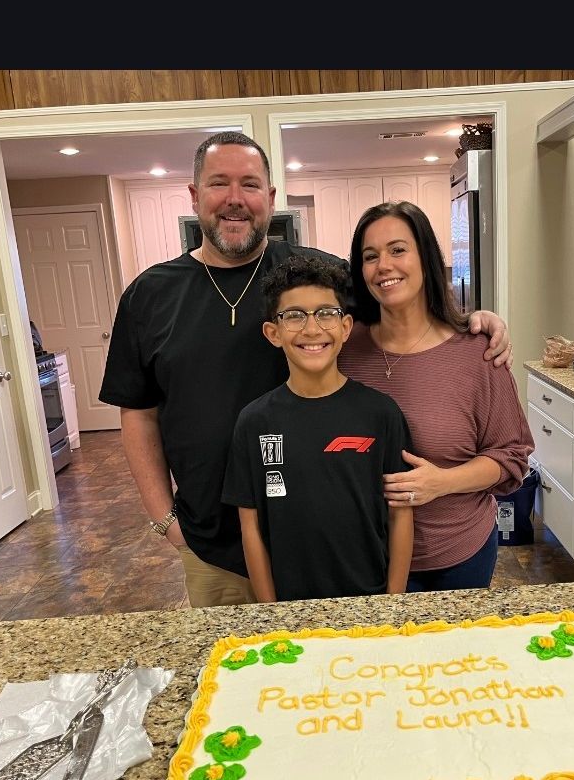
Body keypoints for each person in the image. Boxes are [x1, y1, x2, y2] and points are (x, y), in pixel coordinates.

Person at [98, 131, 513, 607]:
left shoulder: (317, 278)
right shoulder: (149, 296)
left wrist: (471, 319)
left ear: (270, 198)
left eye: (250, 185)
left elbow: (399, 300)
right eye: (219, 184)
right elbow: (138, 414)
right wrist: (166, 522)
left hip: (330, 551)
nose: (235, 200)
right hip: (212, 546)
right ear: (195, 195)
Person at [341, 200, 535, 591]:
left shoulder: (477, 352)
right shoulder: (342, 348)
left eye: (398, 250)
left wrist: (441, 482)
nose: (384, 266)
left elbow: (511, 458)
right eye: (370, 256)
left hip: (455, 557)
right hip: (365, 556)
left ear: (425, 257)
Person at [222, 250, 414, 601]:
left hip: (369, 597)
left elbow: (400, 514)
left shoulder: (381, 413)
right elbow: (249, 526)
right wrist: (270, 611)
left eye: (325, 314)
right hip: (289, 603)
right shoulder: (254, 422)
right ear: (273, 332)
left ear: (344, 327)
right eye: (294, 316)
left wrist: (392, 601)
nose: (312, 329)